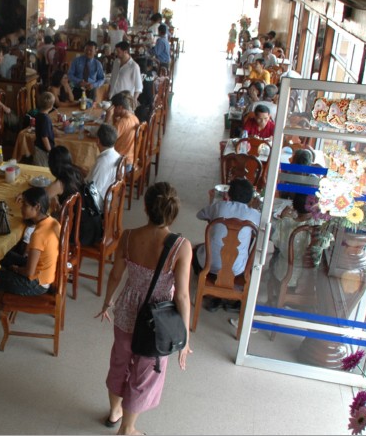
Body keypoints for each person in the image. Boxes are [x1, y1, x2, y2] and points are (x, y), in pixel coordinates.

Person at [95, 182, 192, 436]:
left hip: (127, 311)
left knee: (120, 360)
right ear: (173, 212)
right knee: (145, 372)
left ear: (146, 208)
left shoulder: (128, 236)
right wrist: (185, 337)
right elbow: (182, 295)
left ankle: (115, 411)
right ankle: (128, 429)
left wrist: (107, 303)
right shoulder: (181, 247)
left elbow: (115, 275)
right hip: (157, 321)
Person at [0, 186, 60, 334]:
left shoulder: (38, 235)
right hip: (44, 271)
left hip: (36, 283)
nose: (21, 207)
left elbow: (29, 272)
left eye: (25, 205)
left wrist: (16, 269)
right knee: (3, 255)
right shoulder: (52, 222)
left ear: (37, 207)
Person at [193, 178, 260, 312]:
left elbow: (200, 215)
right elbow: (269, 231)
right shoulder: (254, 215)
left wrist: (212, 200)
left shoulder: (219, 206)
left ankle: (211, 291)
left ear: (228, 193)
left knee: (196, 250)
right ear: (251, 198)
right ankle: (229, 293)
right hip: (238, 269)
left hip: (209, 265)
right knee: (242, 254)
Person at [87, 123, 122, 211]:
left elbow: (93, 192)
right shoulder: (118, 156)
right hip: (111, 199)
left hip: (101, 206)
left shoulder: (102, 162)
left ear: (98, 141)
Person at [105, 91, 140, 169]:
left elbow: (106, 139)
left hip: (122, 163)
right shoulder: (134, 117)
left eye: (113, 107)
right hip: (131, 158)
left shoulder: (122, 122)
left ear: (120, 107)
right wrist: (114, 117)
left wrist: (107, 118)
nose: (112, 109)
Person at [45, 145, 84, 214]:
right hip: (80, 213)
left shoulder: (60, 183)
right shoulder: (76, 172)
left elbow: (40, 198)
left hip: (71, 221)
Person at [33, 91, 55, 167]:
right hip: (43, 150)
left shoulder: (39, 114)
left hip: (39, 148)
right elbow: (44, 137)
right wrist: (49, 151)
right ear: (51, 106)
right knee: (42, 170)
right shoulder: (45, 119)